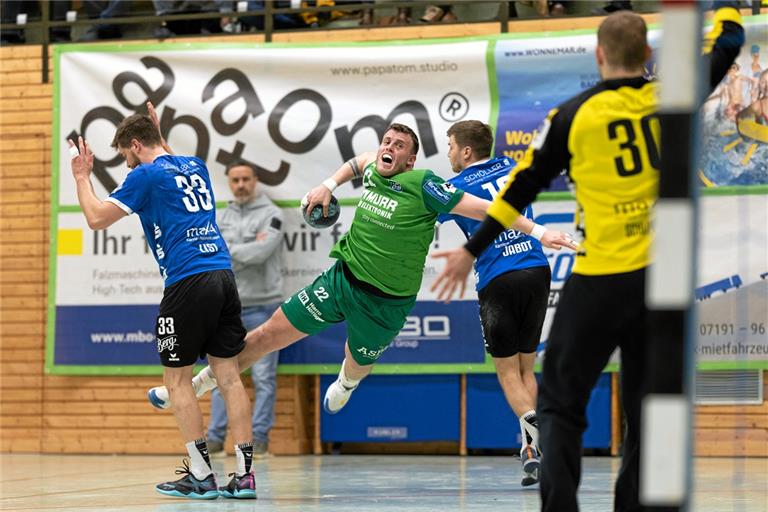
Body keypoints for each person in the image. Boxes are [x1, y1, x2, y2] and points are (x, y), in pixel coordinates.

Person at [430, 7, 744, 512]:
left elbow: (517, 192)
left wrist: (470, 249)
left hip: (599, 279)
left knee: (559, 404)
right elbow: (729, 44)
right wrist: (726, 11)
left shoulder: (572, 115)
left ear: (599, 56)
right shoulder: (674, 93)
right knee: (648, 410)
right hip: (660, 285)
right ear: (646, 56)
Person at [147, 123, 574, 417]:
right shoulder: (375, 164)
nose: (389, 147)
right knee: (265, 336)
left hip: (385, 304)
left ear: (410, 160)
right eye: (387, 140)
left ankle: (347, 385)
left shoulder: (424, 184)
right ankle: (196, 385)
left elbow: (486, 209)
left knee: (356, 362)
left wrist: (537, 230)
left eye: (400, 146)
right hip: (342, 279)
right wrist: (327, 186)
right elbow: (356, 162)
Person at [69, 105, 257, 500]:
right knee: (229, 377)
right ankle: (243, 477)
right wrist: (157, 130)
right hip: (223, 276)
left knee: (176, 380)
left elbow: (96, 218)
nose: (126, 164)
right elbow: (167, 156)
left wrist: (83, 178)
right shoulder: (195, 165)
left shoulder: (144, 175)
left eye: (125, 155)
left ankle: (202, 476)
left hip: (187, 280)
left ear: (136, 146)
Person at [438, 120, 571, 487]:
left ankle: (538, 424)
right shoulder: (512, 168)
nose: (448, 152)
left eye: (450, 145)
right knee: (527, 369)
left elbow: (420, 216)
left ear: (466, 151)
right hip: (536, 269)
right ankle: (533, 449)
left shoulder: (456, 187)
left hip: (498, 277)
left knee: (507, 372)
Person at [206, 160, 284, 460]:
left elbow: (261, 253)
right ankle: (214, 439)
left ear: (255, 180)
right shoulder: (219, 215)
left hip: (264, 306)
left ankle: (260, 439)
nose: (240, 184)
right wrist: (242, 250)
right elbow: (212, 250)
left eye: (246, 179)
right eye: (235, 179)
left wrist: (229, 251)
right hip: (227, 307)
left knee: (264, 377)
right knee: (219, 376)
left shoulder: (272, 214)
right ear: (229, 182)